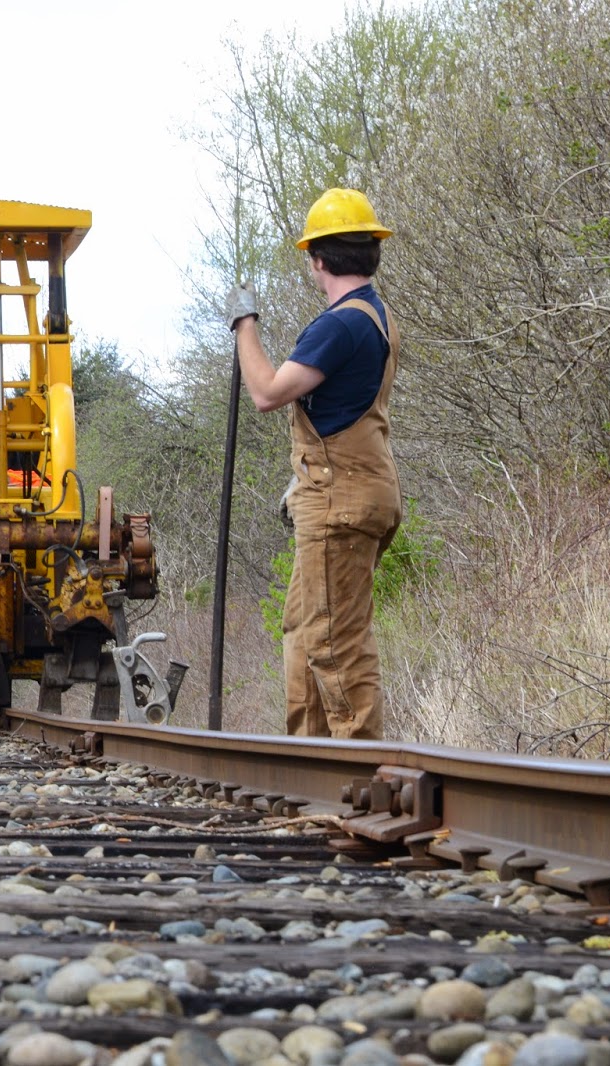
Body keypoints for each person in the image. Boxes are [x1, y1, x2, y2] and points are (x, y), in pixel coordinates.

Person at [225, 187, 401, 741]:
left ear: (318, 258)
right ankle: (309, 765)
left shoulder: (341, 324)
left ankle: (360, 772)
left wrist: (244, 323)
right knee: (304, 633)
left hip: (338, 503)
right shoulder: (376, 316)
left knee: (332, 642)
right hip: (352, 491)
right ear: (371, 250)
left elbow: (266, 392)